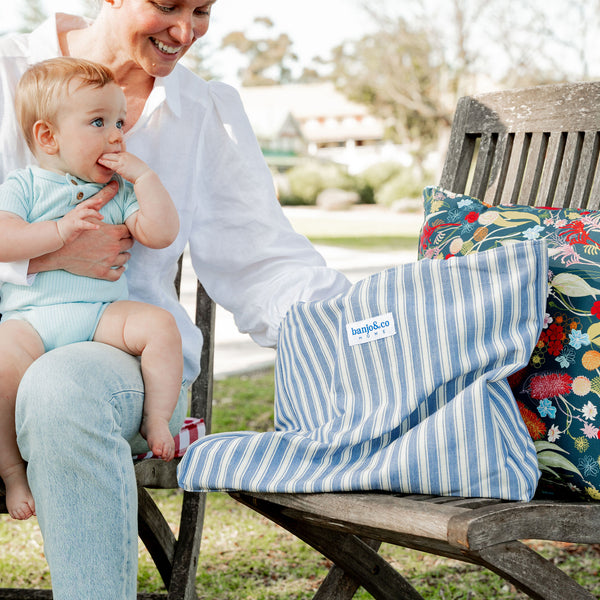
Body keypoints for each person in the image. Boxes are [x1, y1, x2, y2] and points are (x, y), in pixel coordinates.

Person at [0, 2, 351, 598]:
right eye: (166, 4)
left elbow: (264, 261)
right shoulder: (10, 72)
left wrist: (361, 326)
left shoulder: (204, 113)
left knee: (61, 388)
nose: (185, 31)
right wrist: (44, 256)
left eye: (202, 9)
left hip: (124, 358)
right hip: (16, 338)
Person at [0, 56, 184, 521]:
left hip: (100, 317)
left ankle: (157, 417)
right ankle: (12, 472)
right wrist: (60, 232)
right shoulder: (23, 186)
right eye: (99, 122)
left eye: (119, 122)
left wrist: (145, 179)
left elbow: (160, 234)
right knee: (0, 371)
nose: (117, 134)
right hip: (31, 321)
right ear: (48, 137)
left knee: (160, 326)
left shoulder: (120, 189)